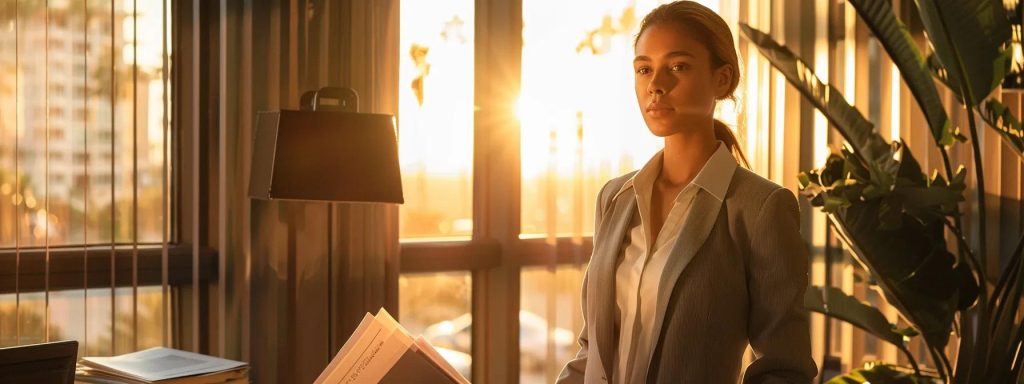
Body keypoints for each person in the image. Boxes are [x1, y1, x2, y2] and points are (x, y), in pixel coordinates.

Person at [556, 1, 818, 383]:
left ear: (722, 80)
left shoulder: (760, 208)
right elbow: (592, 350)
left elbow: (784, 368)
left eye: (677, 66)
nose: (656, 85)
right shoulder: (615, 198)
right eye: (644, 69)